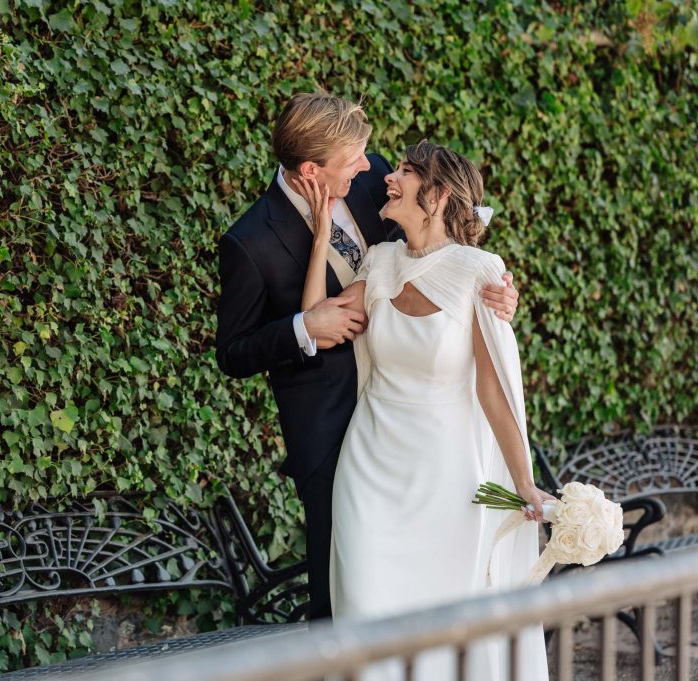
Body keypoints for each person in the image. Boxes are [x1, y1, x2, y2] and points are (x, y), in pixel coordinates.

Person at [215, 93, 520, 621]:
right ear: (311, 169)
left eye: (367, 157)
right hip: (330, 429)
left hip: (419, 416)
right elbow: (234, 353)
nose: (369, 167)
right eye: (353, 160)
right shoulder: (248, 242)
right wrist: (301, 328)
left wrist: (494, 295)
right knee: (344, 597)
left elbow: (432, 251)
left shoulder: (375, 174)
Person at [295, 140, 552, 679]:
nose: (390, 177)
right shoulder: (381, 260)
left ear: (434, 196)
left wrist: (524, 483)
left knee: (441, 631)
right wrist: (321, 239)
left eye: (406, 173)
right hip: (368, 470)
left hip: (446, 478)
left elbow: (493, 390)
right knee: (365, 612)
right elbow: (317, 320)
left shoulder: (479, 270)